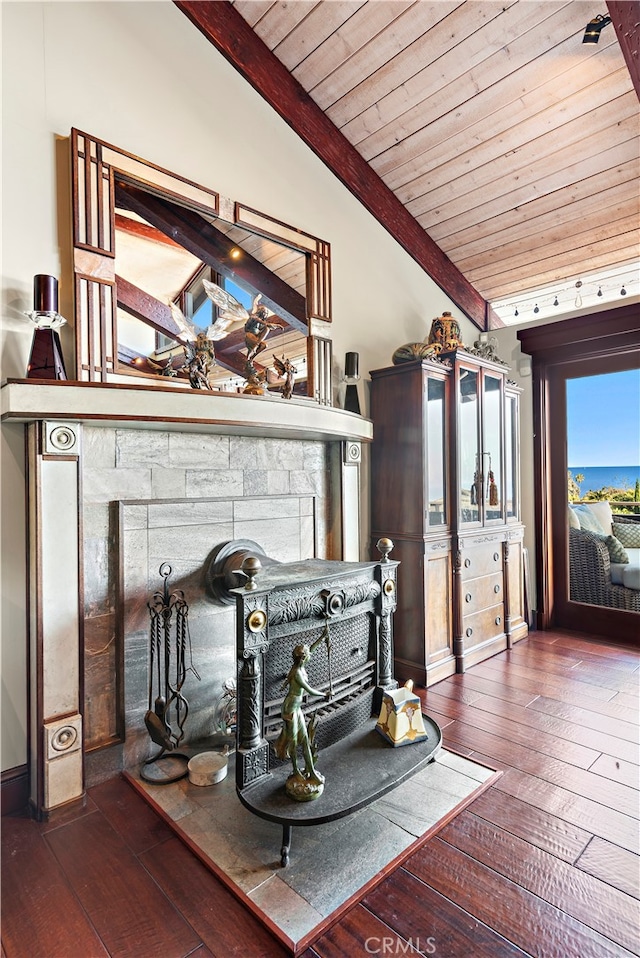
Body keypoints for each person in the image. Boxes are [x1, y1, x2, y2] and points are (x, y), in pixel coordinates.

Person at [274, 632, 331, 792]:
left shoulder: (300, 665)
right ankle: (295, 771)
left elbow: (310, 650)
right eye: (307, 655)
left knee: (305, 740)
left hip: (296, 708)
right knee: (293, 741)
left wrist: (322, 637)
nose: (309, 656)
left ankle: (311, 771)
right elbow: (310, 691)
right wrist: (325, 694)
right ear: (302, 658)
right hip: (290, 710)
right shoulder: (297, 673)